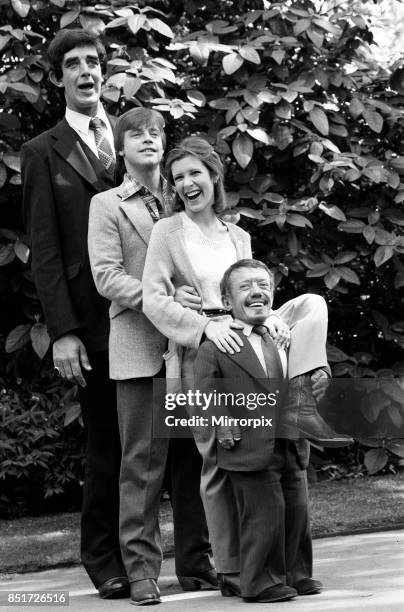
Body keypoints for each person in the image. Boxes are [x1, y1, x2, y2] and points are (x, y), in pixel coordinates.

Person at [142, 135, 346, 596]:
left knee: (311, 302)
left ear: (214, 177)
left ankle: (300, 388)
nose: (187, 183)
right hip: (205, 347)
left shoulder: (238, 234)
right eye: (178, 177)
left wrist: (270, 317)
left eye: (196, 173)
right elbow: (154, 299)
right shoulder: (166, 231)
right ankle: (233, 570)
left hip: (251, 340)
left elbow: (249, 287)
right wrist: (202, 326)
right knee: (219, 460)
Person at [88, 108, 217, 605]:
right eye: (135, 134)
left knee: (194, 459)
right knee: (140, 464)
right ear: (119, 147)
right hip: (140, 347)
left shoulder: (184, 194)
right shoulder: (107, 204)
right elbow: (106, 276)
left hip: (192, 347)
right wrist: (160, 298)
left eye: (156, 133)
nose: (147, 139)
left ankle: (197, 563)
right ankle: (141, 570)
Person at [21, 29, 128, 599]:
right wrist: (62, 332)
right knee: (108, 443)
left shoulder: (137, 136)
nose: (87, 71)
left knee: (175, 441)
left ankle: (190, 555)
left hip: (150, 314)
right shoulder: (42, 151)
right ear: (59, 76)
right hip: (91, 323)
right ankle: (104, 560)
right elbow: (45, 248)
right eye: (74, 64)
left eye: (94, 62)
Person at [193, 258, 322, 603]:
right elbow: (202, 393)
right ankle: (259, 582)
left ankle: (298, 573)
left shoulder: (283, 336)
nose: (256, 293)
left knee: (297, 511)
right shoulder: (216, 346)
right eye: (245, 287)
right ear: (227, 300)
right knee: (264, 515)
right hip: (247, 443)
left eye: (263, 286)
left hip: (290, 441)